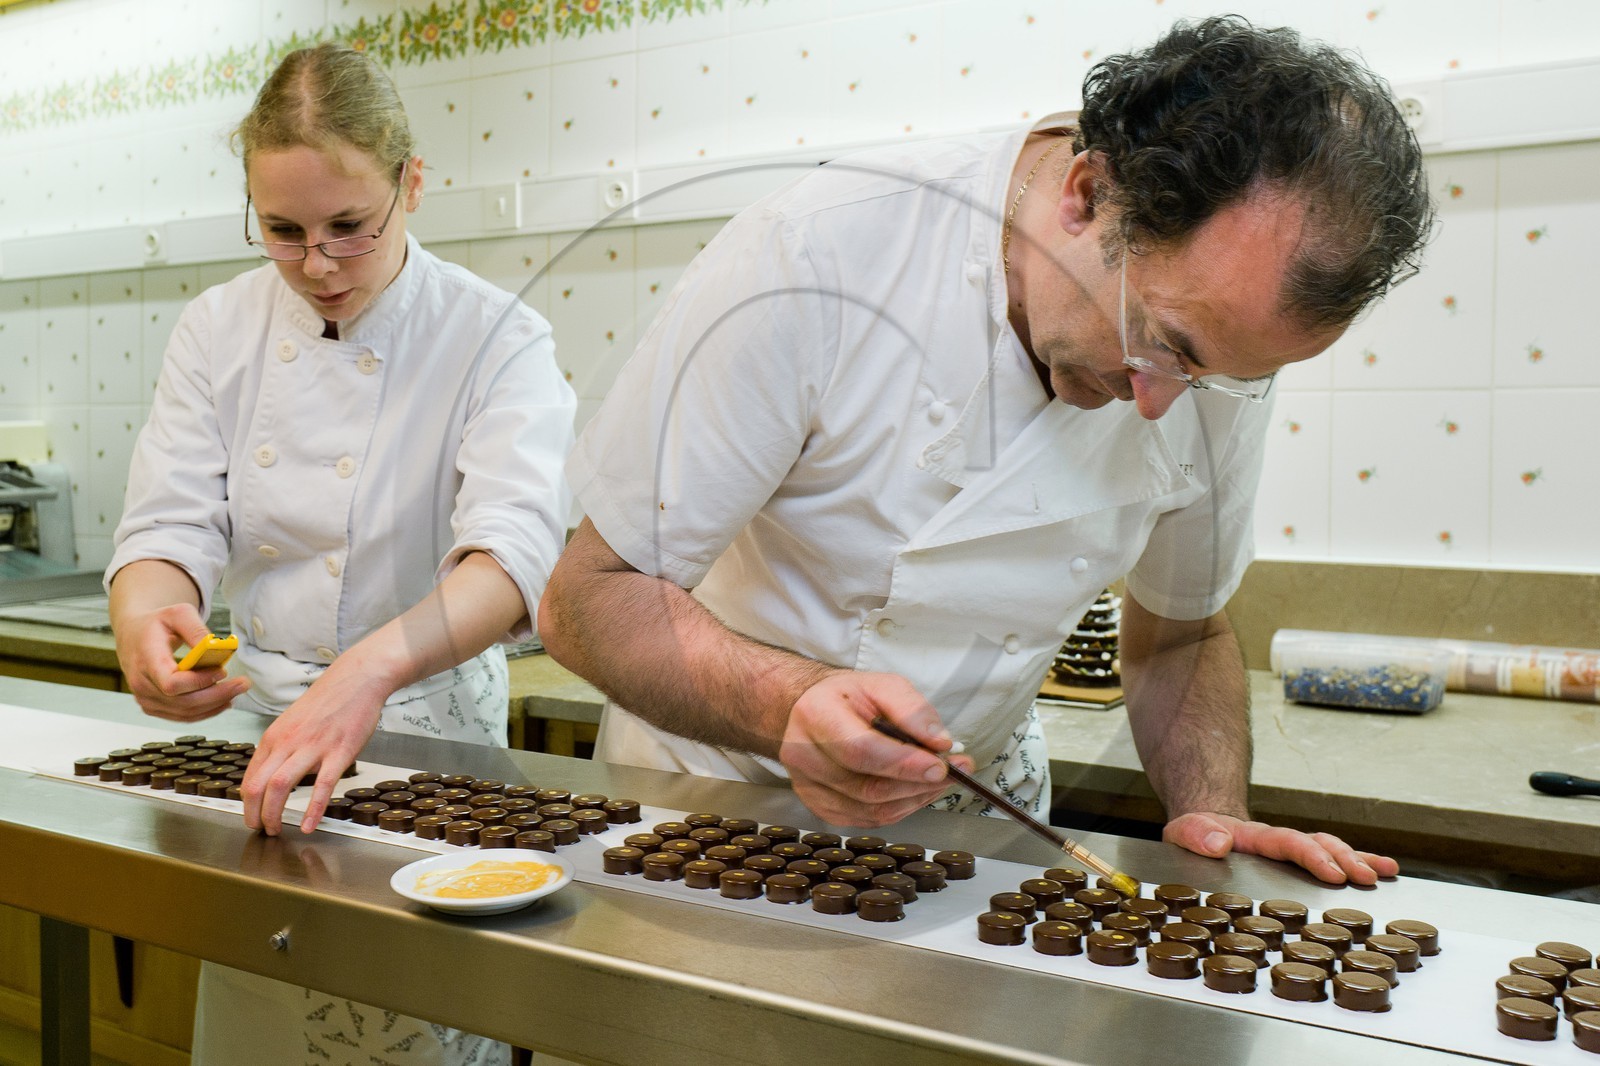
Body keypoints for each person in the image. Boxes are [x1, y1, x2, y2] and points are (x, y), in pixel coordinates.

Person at [539, 16, 1433, 886]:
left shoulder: (1218, 347)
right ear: (1084, 195)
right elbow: (588, 600)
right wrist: (786, 705)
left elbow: (1179, 636)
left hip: (978, 828)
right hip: (714, 811)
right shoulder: (822, 253)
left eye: (1215, 380)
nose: (1162, 405)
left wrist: (1212, 807)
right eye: (1161, 342)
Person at [107, 42, 574, 1066]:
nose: (316, 264)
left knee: (417, 1024)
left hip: (428, 748)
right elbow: (166, 528)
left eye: (348, 229)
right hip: (264, 754)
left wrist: (365, 672)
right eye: (282, 231)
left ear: (412, 185)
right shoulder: (217, 327)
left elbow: (513, 556)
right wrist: (148, 616)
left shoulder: (496, 336)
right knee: (262, 1020)